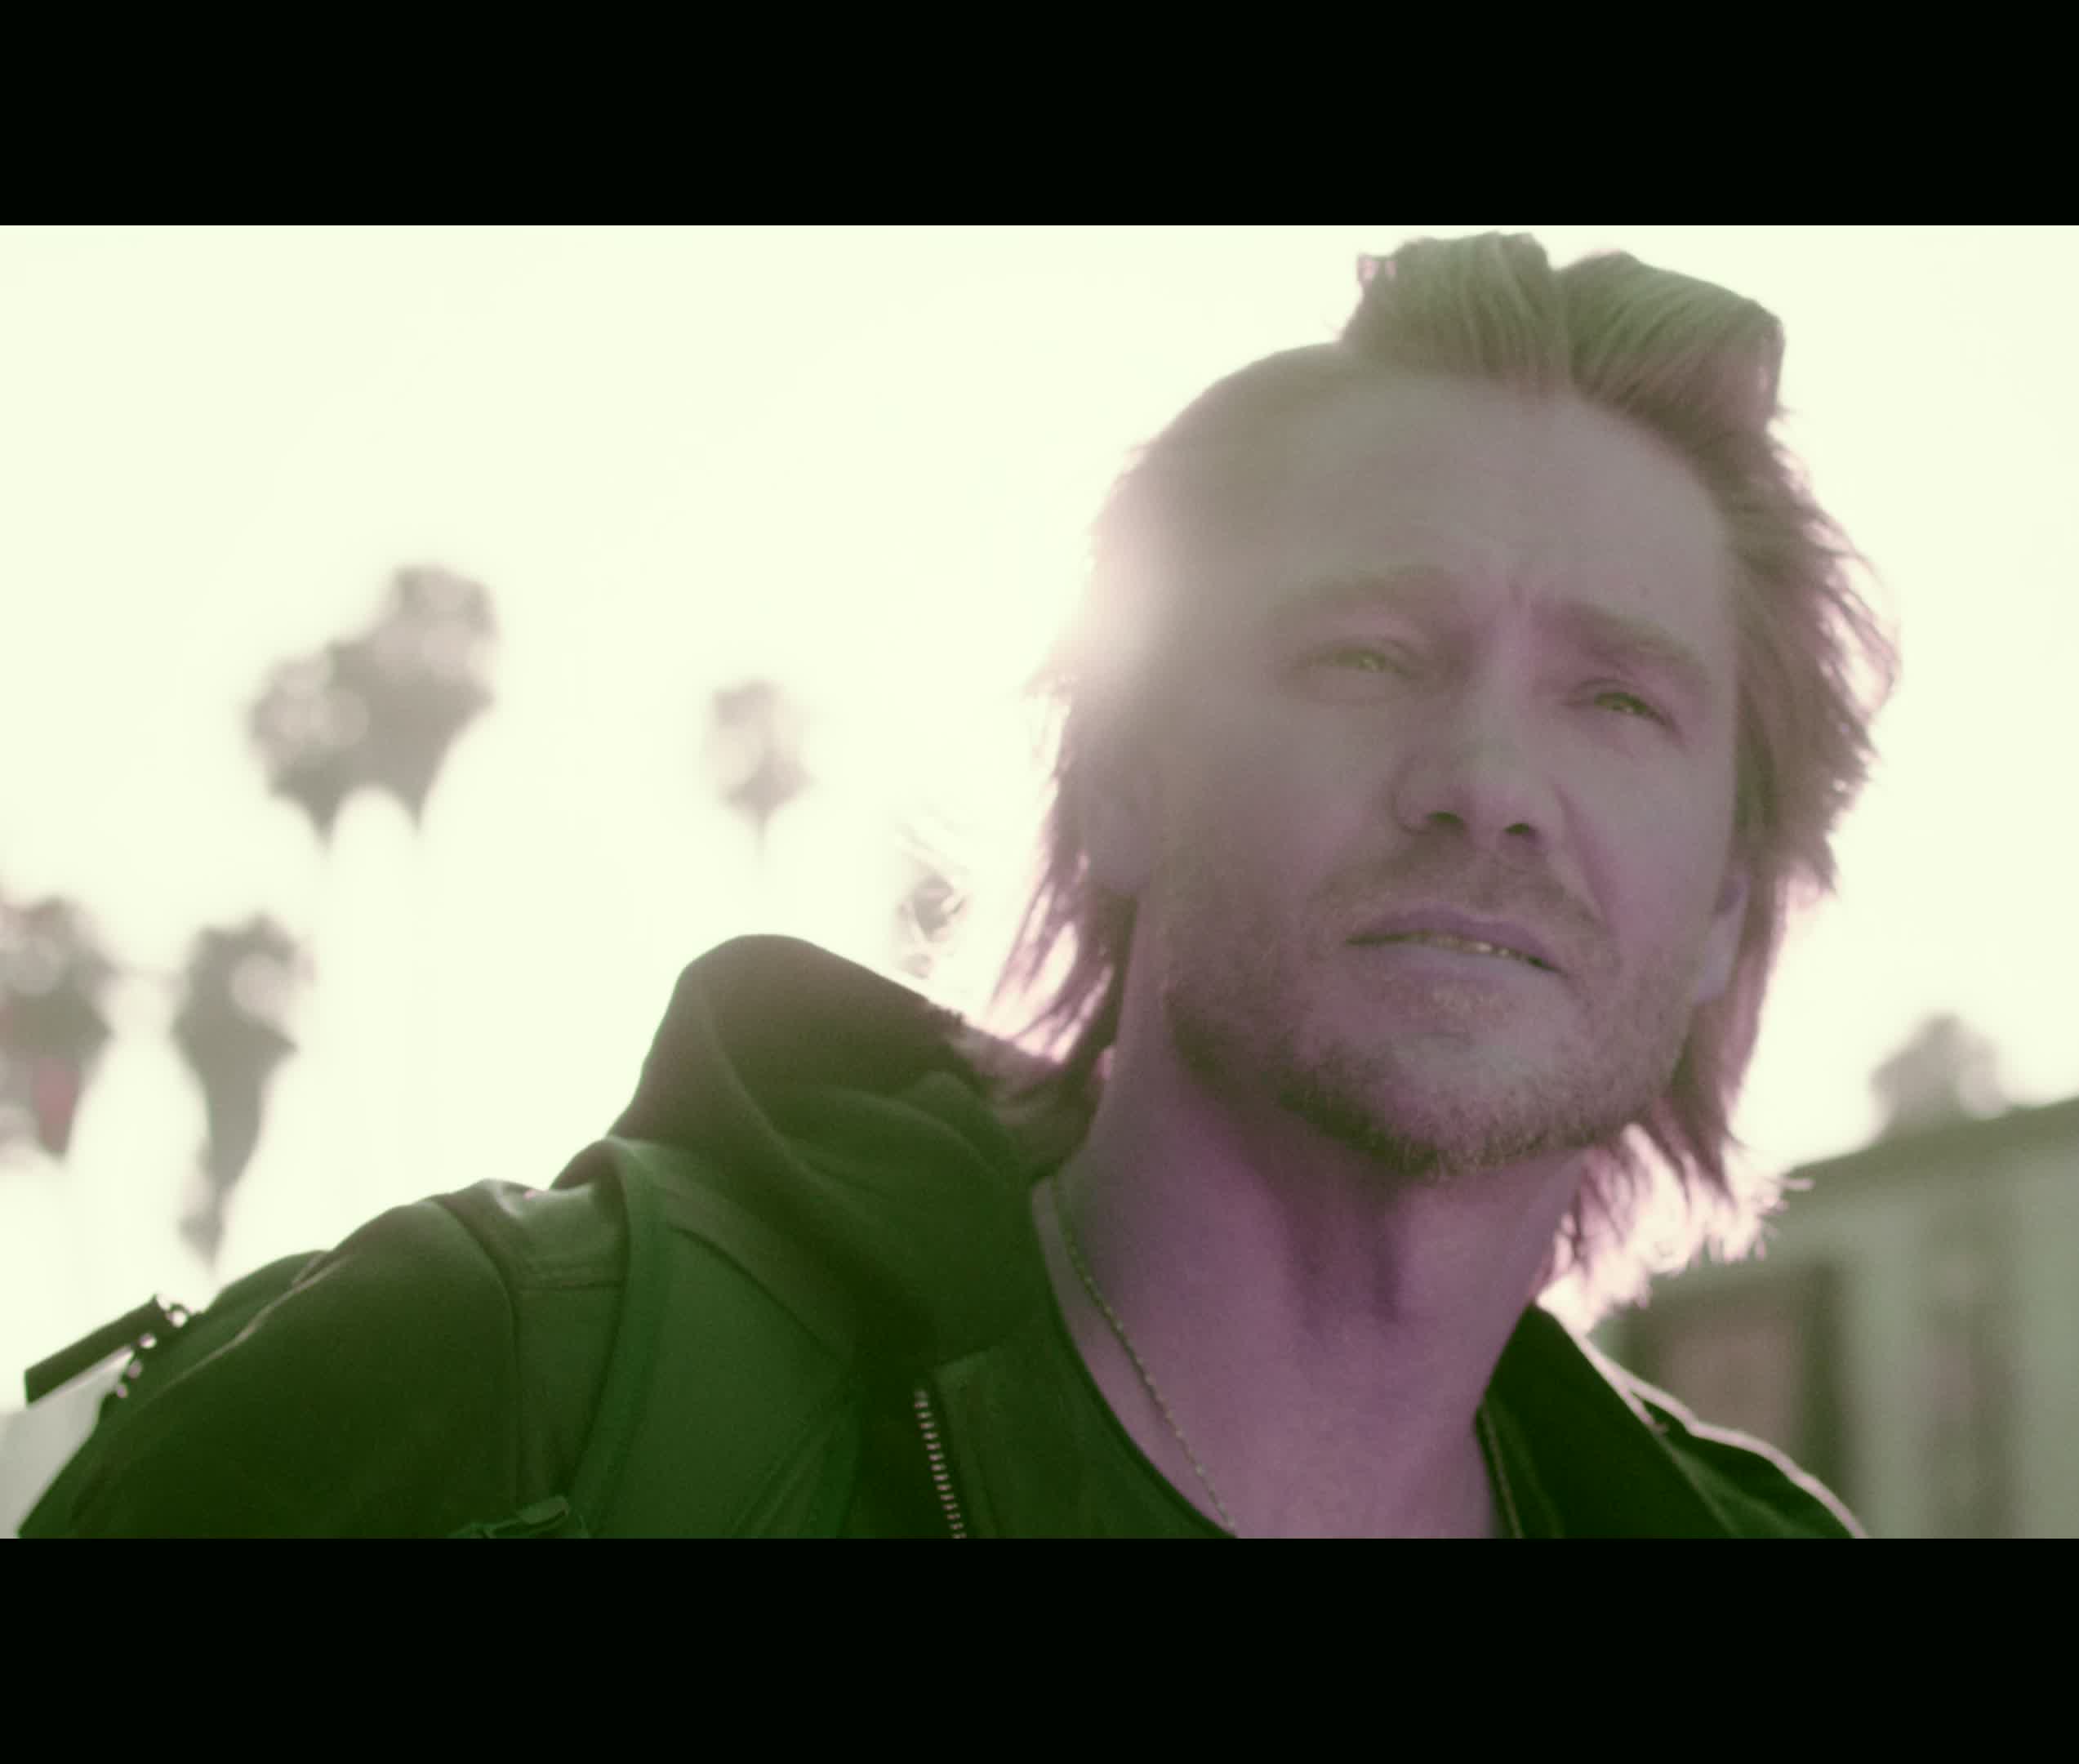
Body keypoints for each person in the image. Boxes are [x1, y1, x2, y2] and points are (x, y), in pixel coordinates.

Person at [21, 231, 1898, 1538]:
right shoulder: (489, 1391)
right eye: (1368, 655)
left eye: (1618, 699)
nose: (1487, 783)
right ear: (1124, 783)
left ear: (1727, 909)